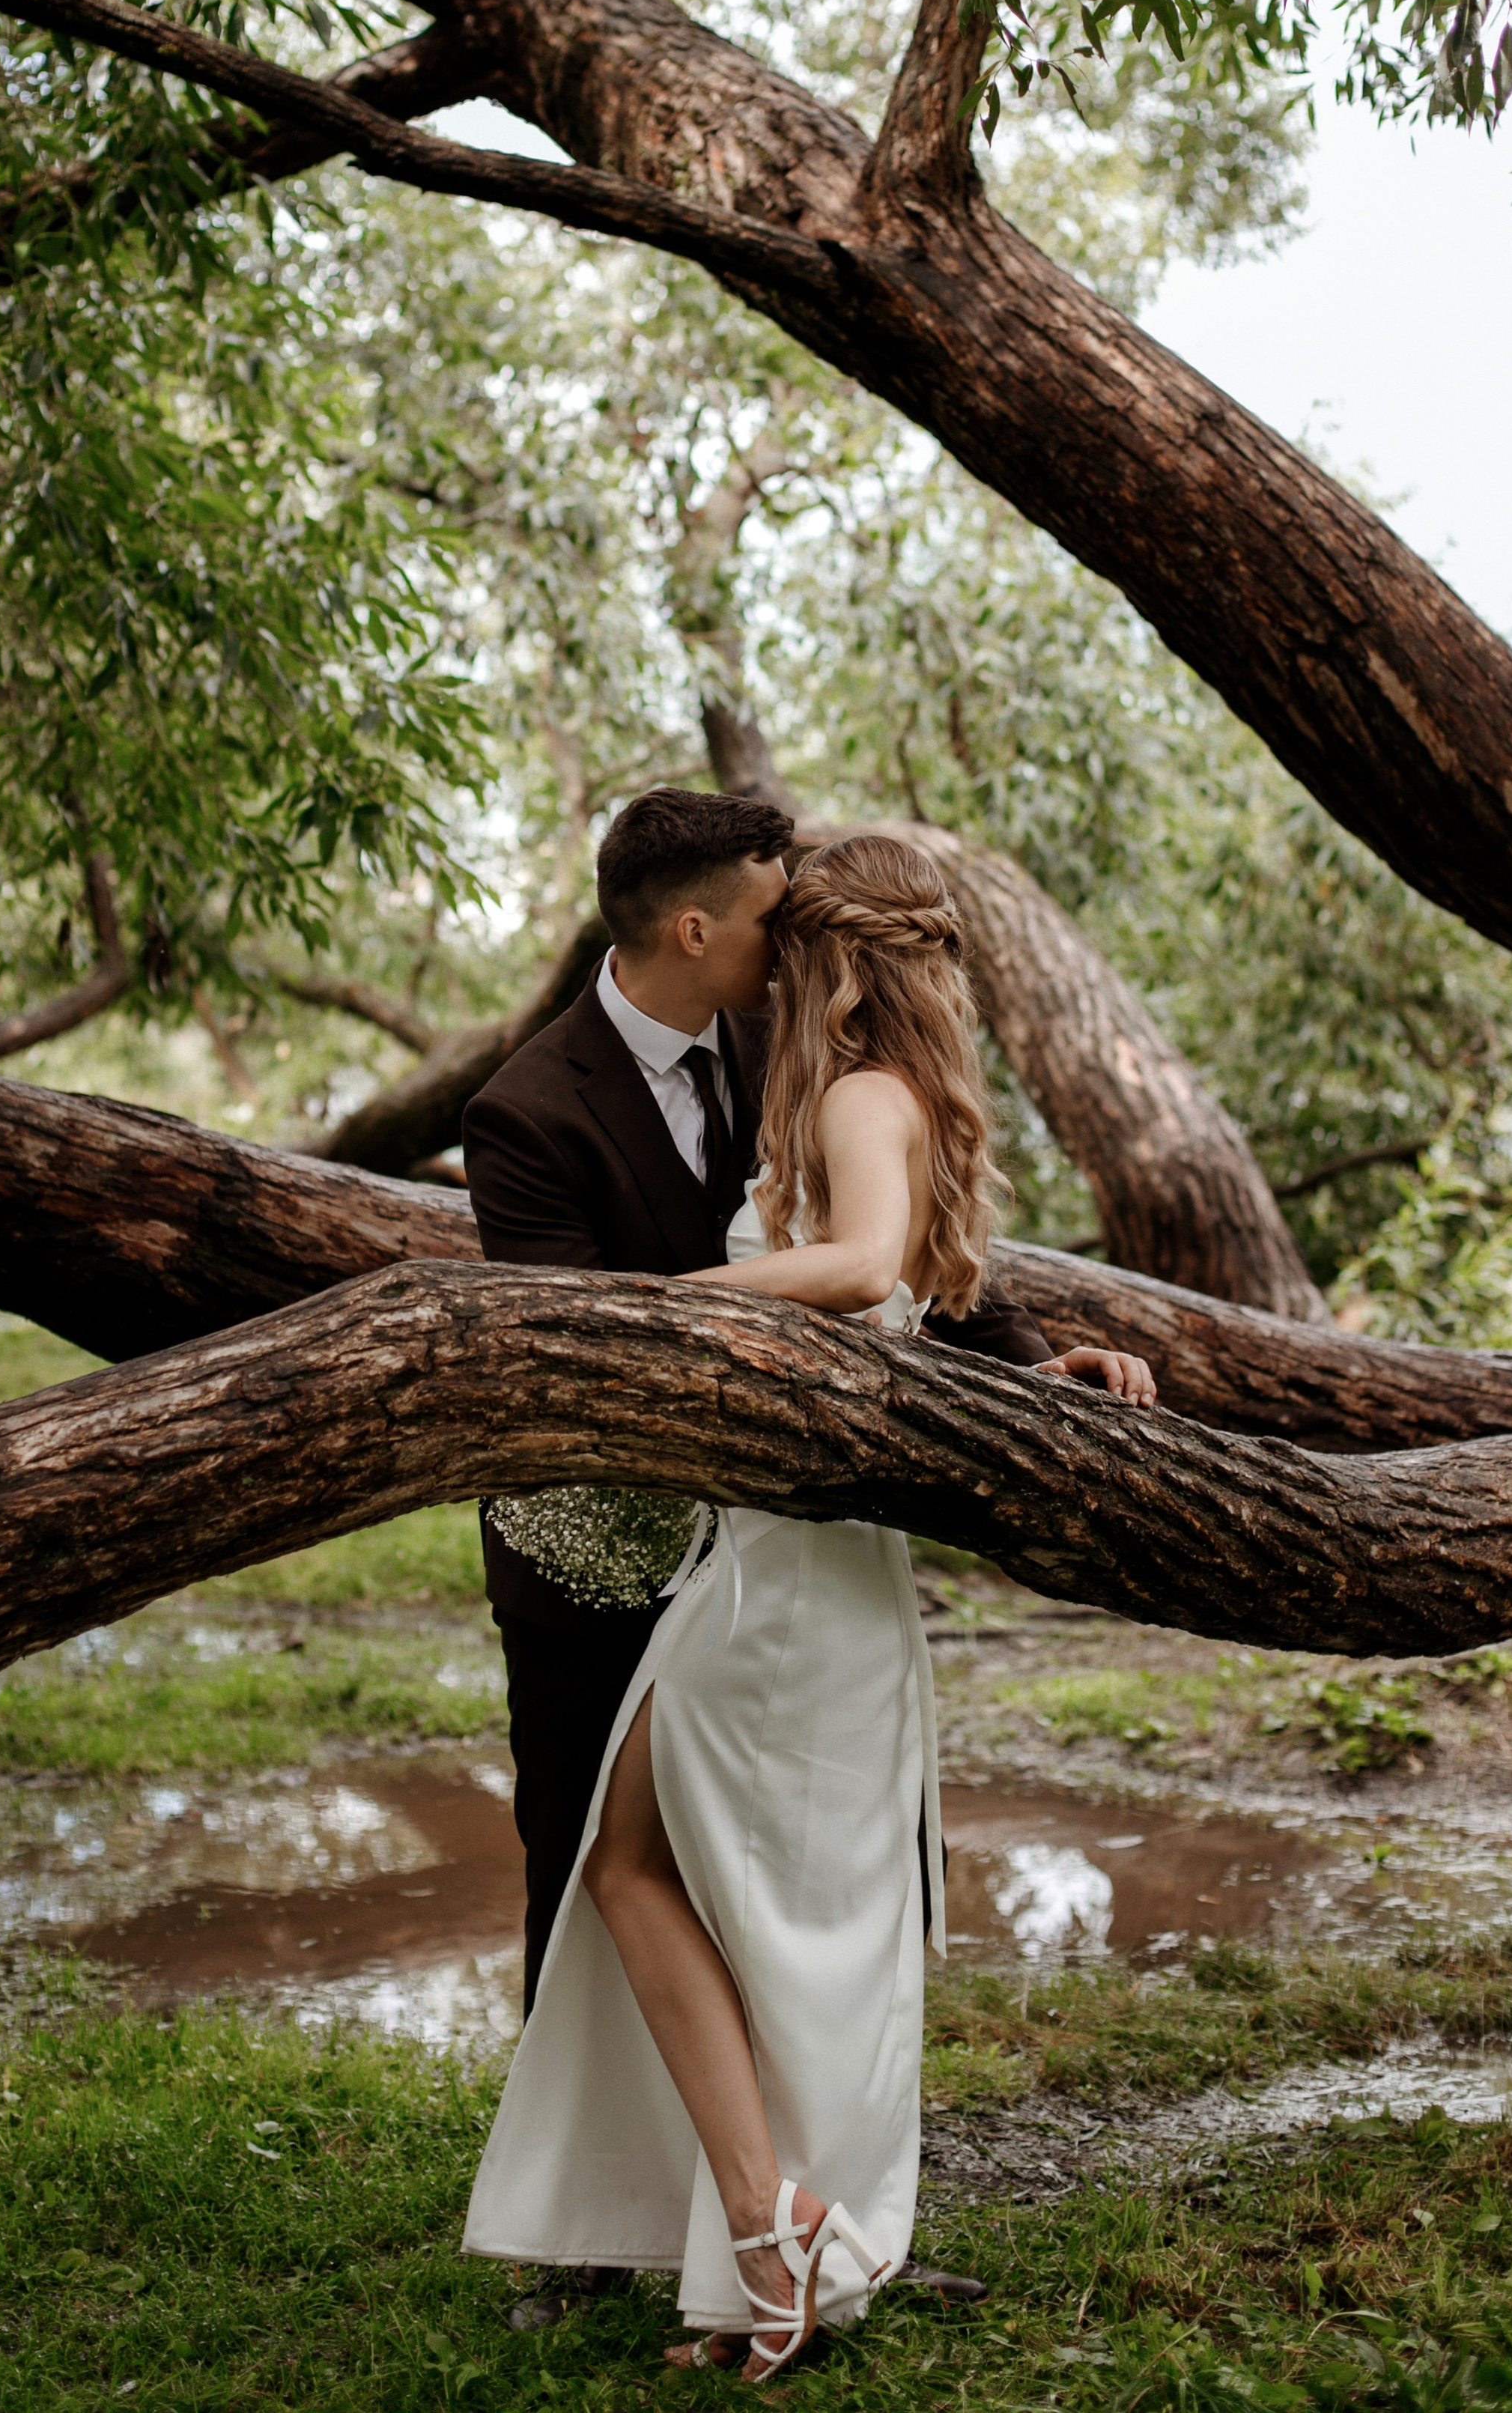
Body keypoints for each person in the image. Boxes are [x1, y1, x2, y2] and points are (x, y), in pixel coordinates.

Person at [464, 830, 1155, 2376]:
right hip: (607, 1543)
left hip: (778, 1550)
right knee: (588, 1855)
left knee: (772, 1892)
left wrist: (1034, 1363)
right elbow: (565, 1358)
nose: (779, 953)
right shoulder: (524, 1107)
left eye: (800, 931)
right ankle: (633, 2241)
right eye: (763, 924)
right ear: (695, 925)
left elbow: (887, 1259)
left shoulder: (800, 1040)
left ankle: (783, 2227)